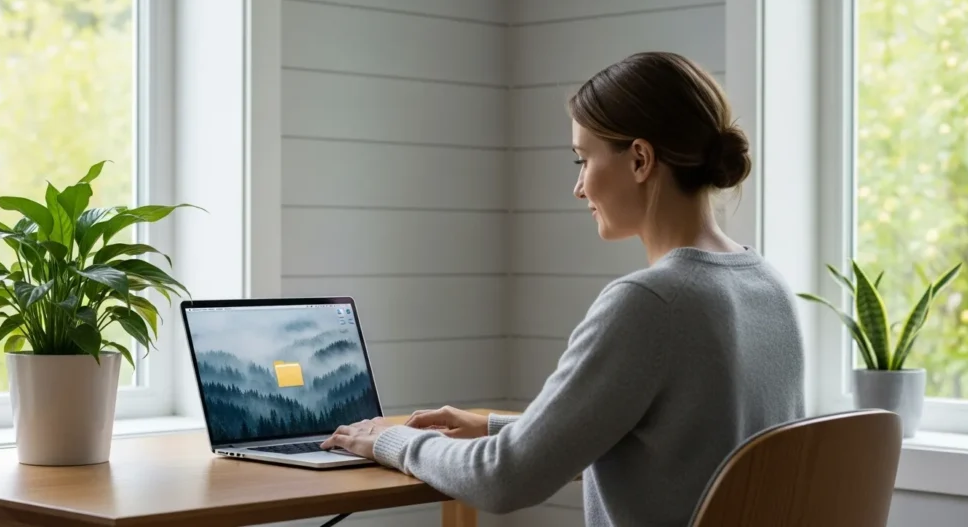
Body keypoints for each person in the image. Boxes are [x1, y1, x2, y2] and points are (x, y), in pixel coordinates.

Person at [321, 51, 806, 526]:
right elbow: (667, 442)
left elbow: (504, 479)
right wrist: (494, 428)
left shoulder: (651, 303)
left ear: (640, 159)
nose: (578, 188)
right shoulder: (767, 286)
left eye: (583, 159)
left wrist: (390, 442)